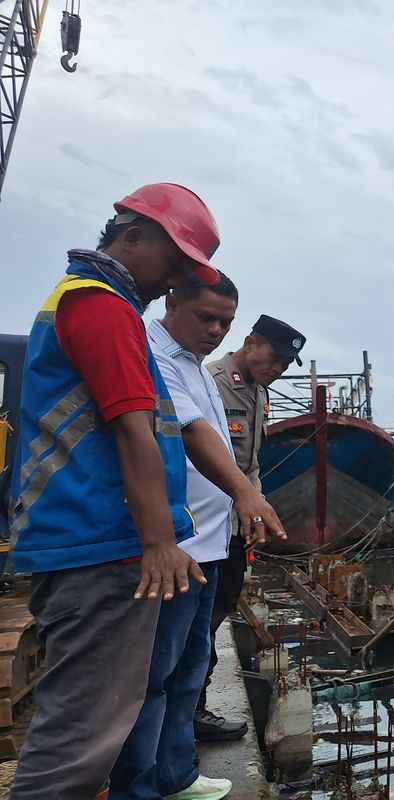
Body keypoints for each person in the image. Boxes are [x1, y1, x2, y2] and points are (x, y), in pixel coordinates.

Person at [5, 183, 217, 800]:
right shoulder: (101, 307)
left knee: (96, 726)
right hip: (97, 545)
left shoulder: (92, 303)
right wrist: (158, 541)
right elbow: (133, 427)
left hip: (94, 538)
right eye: (174, 266)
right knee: (79, 739)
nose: (174, 284)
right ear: (133, 237)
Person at [109, 273, 286, 800]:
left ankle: (177, 773)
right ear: (173, 301)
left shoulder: (194, 366)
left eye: (225, 322)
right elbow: (191, 433)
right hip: (176, 547)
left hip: (211, 544)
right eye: (206, 317)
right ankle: (138, 786)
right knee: (153, 678)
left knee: (188, 670)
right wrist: (245, 495)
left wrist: (238, 516)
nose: (215, 330)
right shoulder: (156, 354)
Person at [194, 314, 305, 741]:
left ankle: (195, 709)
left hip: (235, 528)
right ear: (250, 342)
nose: (276, 369)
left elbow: (250, 464)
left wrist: (254, 511)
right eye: (273, 358)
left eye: (283, 365)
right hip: (205, 526)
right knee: (196, 625)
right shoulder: (212, 382)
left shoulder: (258, 392)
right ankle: (190, 713)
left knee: (217, 613)